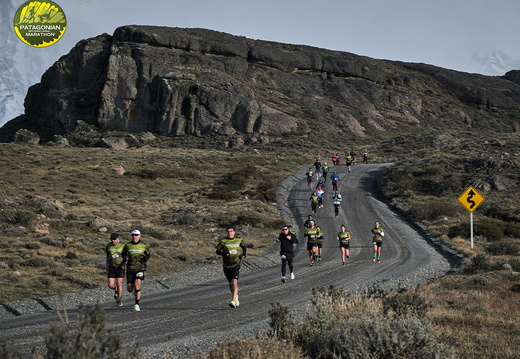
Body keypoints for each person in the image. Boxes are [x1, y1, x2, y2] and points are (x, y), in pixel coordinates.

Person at [216, 226, 247, 308]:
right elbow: (217, 251)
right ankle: (236, 297)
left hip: (236, 263)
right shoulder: (223, 241)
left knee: (234, 282)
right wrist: (224, 254)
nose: (229, 233)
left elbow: (243, 246)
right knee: (230, 283)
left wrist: (244, 254)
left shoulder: (239, 240)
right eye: (228, 231)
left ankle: (233, 301)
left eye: (231, 231)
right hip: (226, 265)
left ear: (234, 232)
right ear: (226, 232)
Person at [122, 229, 151, 312]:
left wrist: (145, 259)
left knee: (137, 285)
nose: (134, 237)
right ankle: (135, 293)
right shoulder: (127, 245)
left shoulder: (143, 245)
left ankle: (137, 304)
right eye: (132, 235)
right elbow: (123, 253)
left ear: (139, 236)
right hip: (130, 268)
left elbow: (148, 253)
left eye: (136, 235)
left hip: (140, 268)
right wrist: (125, 259)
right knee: (129, 289)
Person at [105, 233, 125, 306]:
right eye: (112, 239)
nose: (113, 241)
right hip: (111, 267)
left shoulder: (123, 245)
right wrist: (106, 265)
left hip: (120, 267)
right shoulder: (108, 246)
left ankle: (119, 300)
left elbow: (126, 255)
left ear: (118, 238)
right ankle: (116, 290)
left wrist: (126, 262)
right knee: (110, 285)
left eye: (114, 239)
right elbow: (107, 256)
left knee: (119, 283)